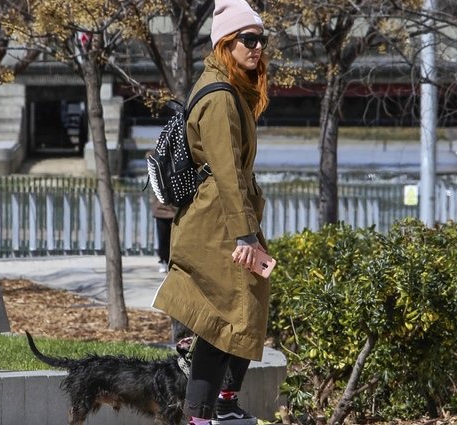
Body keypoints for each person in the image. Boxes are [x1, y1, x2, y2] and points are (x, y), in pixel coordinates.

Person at [151, 1, 270, 425]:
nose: (257, 48)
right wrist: (245, 236)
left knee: (244, 313)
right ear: (225, 43)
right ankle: (204, 414)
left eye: (261, 39)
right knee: (225, 323)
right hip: (217, 226)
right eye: (248, 39)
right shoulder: (220, 97)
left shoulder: (230, 89)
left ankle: (222, 403)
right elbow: (226, 173)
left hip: (222, 222)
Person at [150, 194, 177, 273]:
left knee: (174, 239)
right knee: (162, 239)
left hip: (175, 212)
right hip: (160, 212)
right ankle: (164, 260)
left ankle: (172, 261)